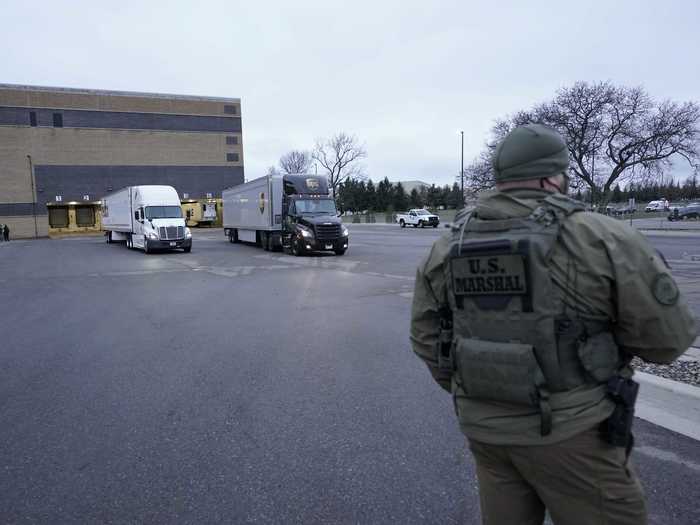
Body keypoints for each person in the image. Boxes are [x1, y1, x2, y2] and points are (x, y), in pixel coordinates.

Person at [410, 123, 696, 525]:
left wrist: (482, 384)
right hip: (573, 433)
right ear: (552, 177)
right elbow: (667, 341)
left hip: (485, 431)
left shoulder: (448, 244)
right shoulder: (596, 235)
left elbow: (425, 338)